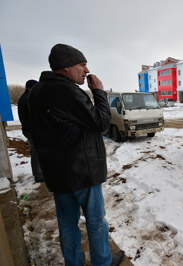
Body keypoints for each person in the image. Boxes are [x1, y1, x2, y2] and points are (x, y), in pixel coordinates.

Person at [28, 44, 124, 266]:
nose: (86, 70)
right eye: (81, 64)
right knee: (96, 222)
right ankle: (102, 262)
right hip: (83, 172)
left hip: (57, 174)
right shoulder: (67, 92)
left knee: (67, 223)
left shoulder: (38, 92)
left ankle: (74, 262)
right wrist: (99, 92)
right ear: (65, 67)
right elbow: (101, 122)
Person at [18, 79, 45, 183]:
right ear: (31, 88)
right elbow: (31, 118)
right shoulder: (27, 99)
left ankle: (40, 172)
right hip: (31, 131)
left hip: (30, 130)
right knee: (36, 151)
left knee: (36, 151)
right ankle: (38, 174)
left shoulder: (25, 98)